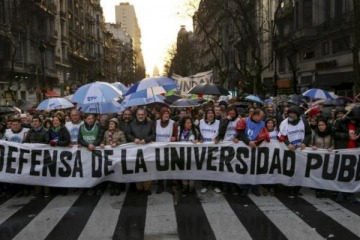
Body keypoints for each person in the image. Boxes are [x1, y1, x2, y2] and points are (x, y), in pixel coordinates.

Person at [278, 105, 312, 197]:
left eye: (293, 113)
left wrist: (305, 142)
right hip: (289, 150)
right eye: (289, 113)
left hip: (301, 150)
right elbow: (281, 136)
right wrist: (288, 144)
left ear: (297, 114)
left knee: (300, 170)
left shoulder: (304, 122)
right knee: (290, 169)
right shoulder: (284, 123)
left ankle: (297, 189)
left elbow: (308, 134)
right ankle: (289, 189)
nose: (291, 115)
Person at [236, 108, 269, 197]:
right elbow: (240, 134)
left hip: (256, 149)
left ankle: (255, 188)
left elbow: (264, 135)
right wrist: (249, 142)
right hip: (245, 149)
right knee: (245, 169)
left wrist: (257, 144)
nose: (261, 119)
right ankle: (244, 188)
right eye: (260, 117)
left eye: (262, 117)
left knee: (256, 169)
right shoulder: (243, 121)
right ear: (255, 115)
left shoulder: (262, 123)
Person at [332, 106, 360, 203]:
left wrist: (357, 138)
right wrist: (347, 136)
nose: (354, 122)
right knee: (341, 173)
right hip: (343, 150)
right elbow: (334, 134)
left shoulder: (358, 124)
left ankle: (350, 193)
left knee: (352, 174)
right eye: (352, 120)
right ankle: (340, 192)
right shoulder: (341, 122)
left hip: (354, 152)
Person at [126, 107, 155, 195]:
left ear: (145, 115)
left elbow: (153, 134)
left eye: (142, 114)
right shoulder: (131, 124)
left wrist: (146, 140)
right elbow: (127, 134)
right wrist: (133, 139)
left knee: (148, 168)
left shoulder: (150, 123)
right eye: (139, 114)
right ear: (136, 115)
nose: (140, 116)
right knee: (137, 168)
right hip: (136, 151)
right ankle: (139, 187)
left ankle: (146, 188)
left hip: (147, 151)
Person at [306, 116, 334, 198]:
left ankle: (325, 190)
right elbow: (310, 144)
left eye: (323, 125)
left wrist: (332, 148)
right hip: (318, 158)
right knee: (318, 174)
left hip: (328, 157)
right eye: (319, 125)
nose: (321, 127)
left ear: (326, 125)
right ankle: (318, 190)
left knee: (326, 174)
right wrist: (313, 147)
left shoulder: (330, 134)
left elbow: (333, 144)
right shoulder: (315, 133)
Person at [215, 106, 240, 194]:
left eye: (233, 112)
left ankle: (233, 187)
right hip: (225, 145)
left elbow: (241, 131)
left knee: (233, 167)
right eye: (230, 112)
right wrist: (226, 120)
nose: (232, 113)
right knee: (225, 167)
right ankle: (225, 187)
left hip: (234, 146)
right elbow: (221, 131)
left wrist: (237, 137)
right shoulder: (224, 120)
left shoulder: (239, 120)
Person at [23, 115, 50, 197]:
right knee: (36, 173)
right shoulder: (30, 132)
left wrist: (37, 145)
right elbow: (25, 142)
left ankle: (46, 192)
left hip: (44, 156)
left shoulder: (45, 131)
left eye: (36, 121)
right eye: (33, 121)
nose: (34, 123)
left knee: (44, 174)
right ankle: (38, 192)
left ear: (40, 123)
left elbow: (47, 142)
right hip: (33, 156)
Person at [78, 113, 104, 196]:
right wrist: (87, 145)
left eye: (92, 118)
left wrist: (94, 144)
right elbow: (80, 139)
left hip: (96, 151)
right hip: (86, 152)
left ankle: (99, 188)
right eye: (89, 118)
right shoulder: (81, 127)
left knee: (97, 170)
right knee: (87, 170)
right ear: (85, 119)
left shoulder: (98, 126)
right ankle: (90, 187)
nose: (91, 120)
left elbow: (100, 137)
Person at [100, 118, 126, 196]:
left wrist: (117, 143)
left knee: (117, 170)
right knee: (110, 170)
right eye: (109, 124)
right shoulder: (106, 132)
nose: (110, 125)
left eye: (112, 124)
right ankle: (112, 187)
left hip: (117, 155)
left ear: (116, 125)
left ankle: (117, 187)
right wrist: (102, 144)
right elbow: (103, 141)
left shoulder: (120, 133)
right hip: (108, 155)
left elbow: (124, 142)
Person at [154, 107, 178, 194]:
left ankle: (168, 185)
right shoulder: (156, 123)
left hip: (169, 150)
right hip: (158, 150)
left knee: (169, 168)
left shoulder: (173, 124)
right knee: (159, 168)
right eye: (164, 114)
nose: (166, 115)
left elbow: (176, 136)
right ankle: (160, 185)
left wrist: (175, 138)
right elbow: (153, 134)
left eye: (167, 113)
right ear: (161, 115)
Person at [198, 108, 221, 194]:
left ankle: (215, 185)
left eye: (212, 113)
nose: (211, 114)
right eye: (209, 113)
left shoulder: (218, 122)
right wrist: (199, 138)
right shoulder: (200, 122)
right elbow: (197, 132)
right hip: (204, 148)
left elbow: (221, 133)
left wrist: (218, 138)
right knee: (205, 166)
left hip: (215, 148)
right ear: (206, 115)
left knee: (215, 167)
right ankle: (205, 185)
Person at [48, 115, 71, 196]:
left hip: (62, 154)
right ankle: (55, 189)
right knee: (54, 171)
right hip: (53, 155)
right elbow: (47, 140)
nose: (55, 122)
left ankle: (63, 189)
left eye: (57, 120)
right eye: (53, 120)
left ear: (60, 122)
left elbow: (67, 141)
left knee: (62, 171)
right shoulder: (50, 130)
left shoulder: (64, 129)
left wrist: (57, 143)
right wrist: (49, 142)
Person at [178, 116, 200, 194]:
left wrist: (197, 140)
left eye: (191, 122)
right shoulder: (179, 131)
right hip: (182, 155)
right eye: (188, 123)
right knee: (183, 171)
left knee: (191, 171)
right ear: (184, 124)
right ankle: (184, 186)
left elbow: (201, 140)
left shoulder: (195, 131)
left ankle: (191, 187)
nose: (190, 124)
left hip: (192, 156)